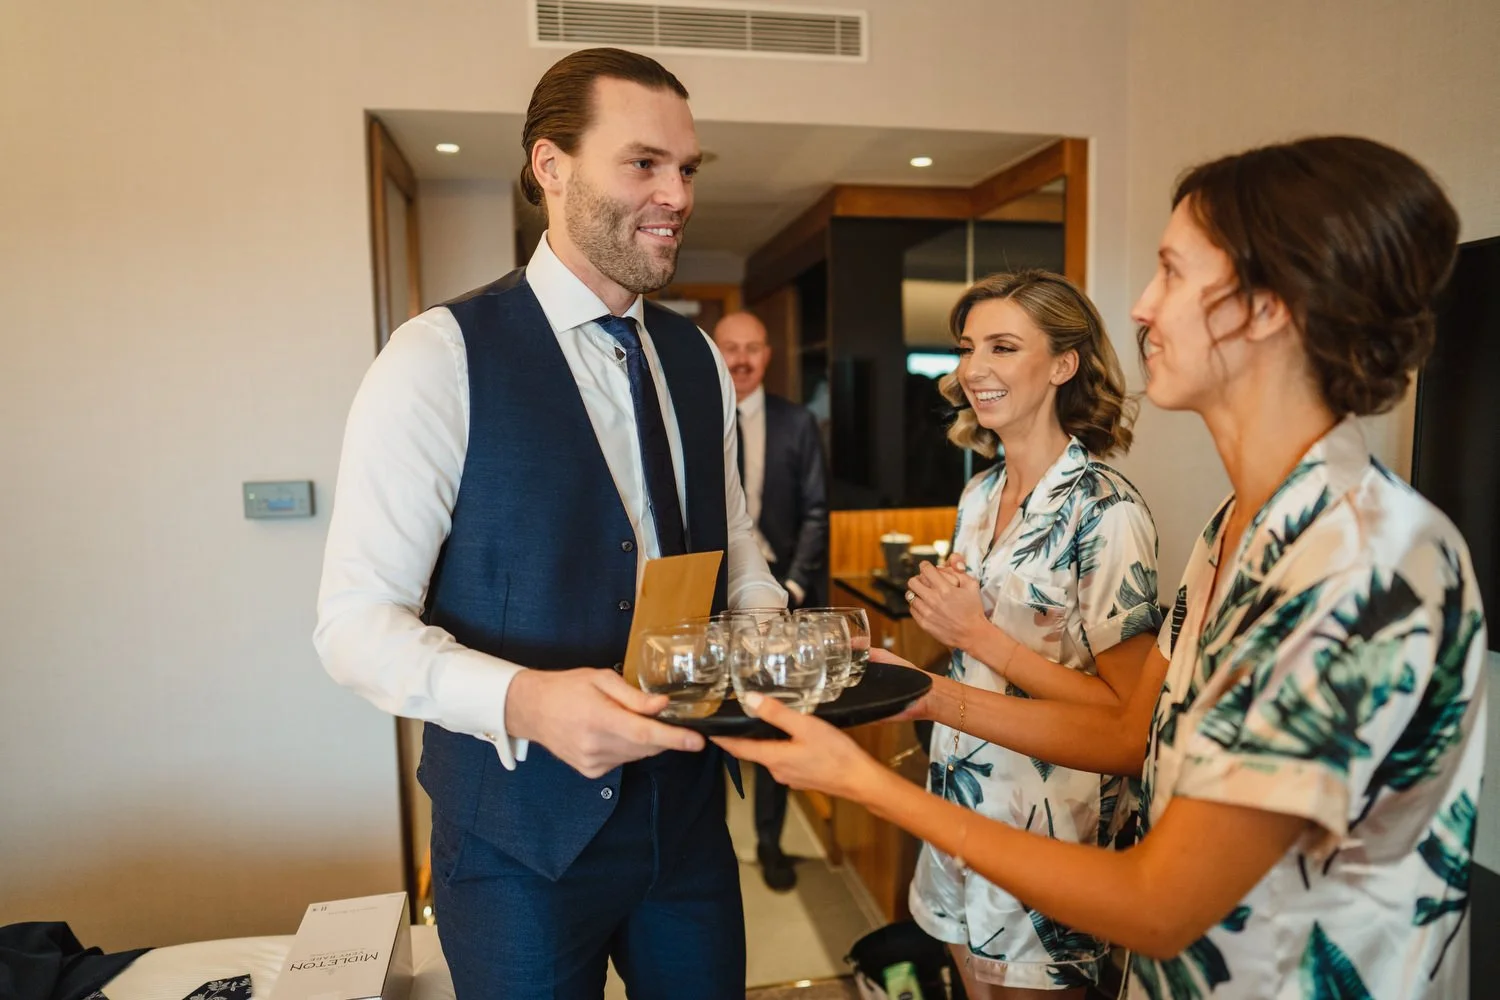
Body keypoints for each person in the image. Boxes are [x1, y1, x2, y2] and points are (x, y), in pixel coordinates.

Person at [719, 136, 1487, 1000]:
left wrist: (863, 783)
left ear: (1267, 306)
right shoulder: (1234, 529)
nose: (1143, 307)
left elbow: (1163, 904)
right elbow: (1131, 736)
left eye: (1171, 272)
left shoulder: (1361, 560)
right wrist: (923, 694)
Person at [314, 48, 785, 1000]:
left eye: (686, 169)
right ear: (551, 166)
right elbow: (354, 627)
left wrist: (771, 629)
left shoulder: (696, 358)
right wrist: (526, 703)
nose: (677, 196)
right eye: (643, 163)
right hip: (516, 846)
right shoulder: (436, 357)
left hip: (688, 822)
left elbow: (733, 541)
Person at [906, 270, 1162, 998]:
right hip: (959, 796)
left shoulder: (1105, 512)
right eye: (967, 348)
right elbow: (971, 652)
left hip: (1048, 828)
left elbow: (1130, 720)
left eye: (1003, 347)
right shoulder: (979, 494)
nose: (974, 369)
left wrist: (978, 635)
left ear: (1062, 364)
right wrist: (936, 630)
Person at [713, 310, 830, 891]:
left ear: (767, 354)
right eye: (729, 347)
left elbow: (816, 511)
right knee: (709, 720)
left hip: (784, 594)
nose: (741, 359)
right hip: (712, 594)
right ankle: (710, 842)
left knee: (776, 722)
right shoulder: (692, 413)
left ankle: (769, 843)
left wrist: (796, 586)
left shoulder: (797, 421)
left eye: (752, 348)